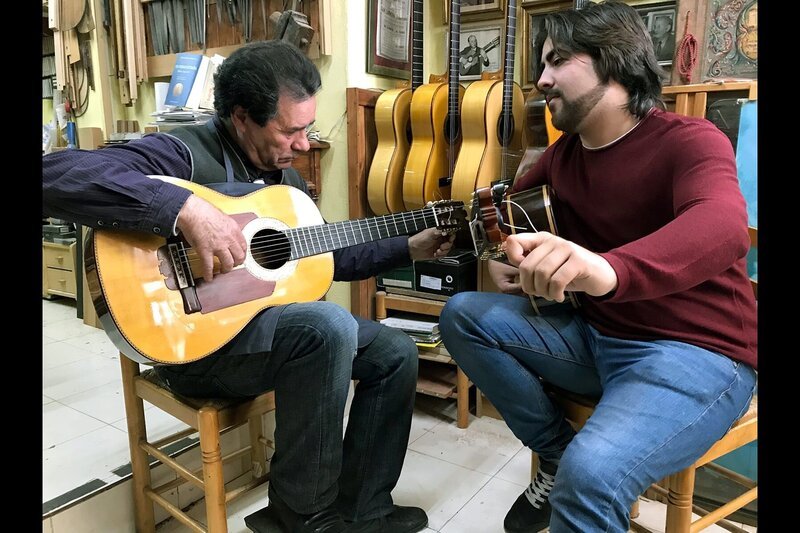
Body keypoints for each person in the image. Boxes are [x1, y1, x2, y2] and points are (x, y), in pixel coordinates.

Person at [42, 41, 455, 533]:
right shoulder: (185, 152)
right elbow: (56, 176)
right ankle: (301, 516)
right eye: (291, 130)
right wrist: (184, 209)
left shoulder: (287, 186)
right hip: (197, 350)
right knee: (326, 327)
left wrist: (409, 248)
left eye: (309, 128)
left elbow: (328, 259)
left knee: (394, 350)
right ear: (241, 117)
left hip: (265, 338)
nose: (304, 145)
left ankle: (364, 507)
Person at [438, 2, 757, 532]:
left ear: (613, 62)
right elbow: (498, 212)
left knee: (593, 475)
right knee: (463, 313)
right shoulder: (562, 156)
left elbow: (722, 224)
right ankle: (555, 451)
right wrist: (501, 255)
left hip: (698, 354)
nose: (541, 79)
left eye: (557, 60)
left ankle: (574, 470)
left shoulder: (690, 140)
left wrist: (608, 269)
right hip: (596, 337)